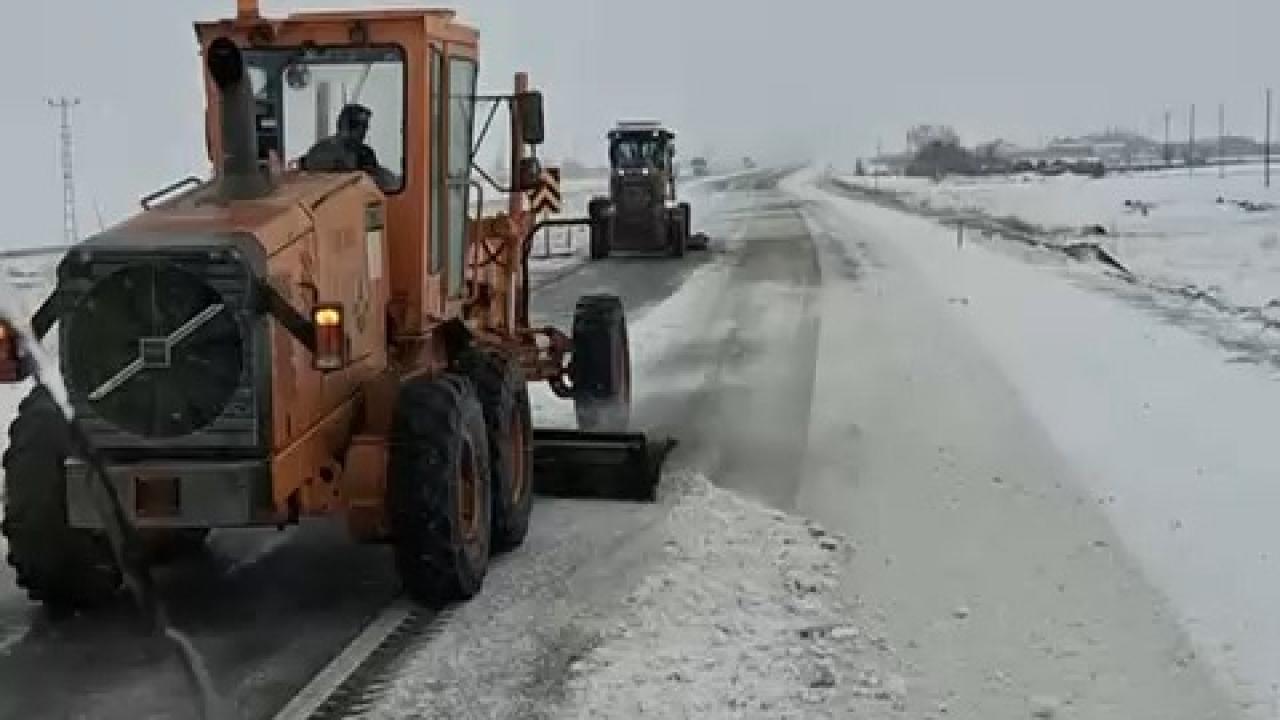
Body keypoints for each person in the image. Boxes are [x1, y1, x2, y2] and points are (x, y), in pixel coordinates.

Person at [301, 103, 398, 191]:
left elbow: (379, 178)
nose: (365, 133)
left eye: (366, 128)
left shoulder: (366, 153)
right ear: (346, 126)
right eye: (363, 128)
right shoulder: (321, 153)